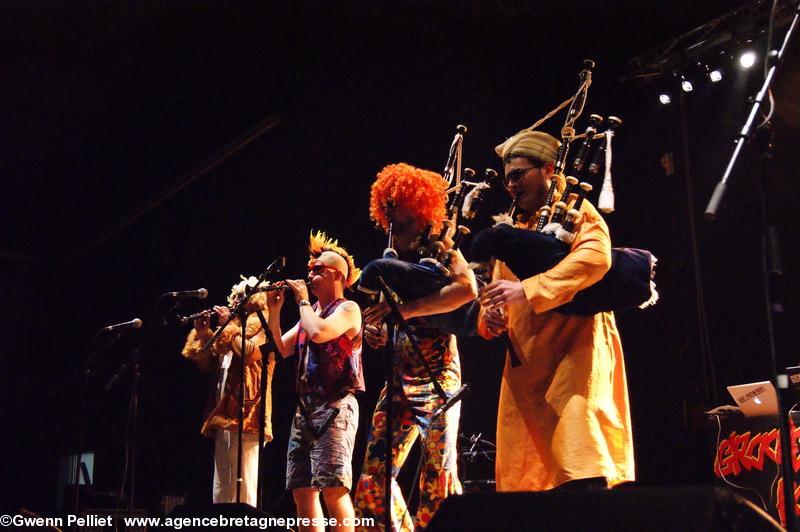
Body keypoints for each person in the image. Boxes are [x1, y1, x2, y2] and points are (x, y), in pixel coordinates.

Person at [477, 129, 635, 491]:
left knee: (579, 459)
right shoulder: (513, 228)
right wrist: (491, 316)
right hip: (527, 366)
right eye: (507, 180)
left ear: (549, 169)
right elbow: (495, 294)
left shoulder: (577, 212)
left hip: (574, 354)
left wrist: (527, 289)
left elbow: (595, 259)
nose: (511, 186)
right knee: (532, 480)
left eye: (518, 174)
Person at [354, 163, 478, 530]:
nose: (391, 205)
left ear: (417, 202)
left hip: (438, 373)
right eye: (386, 199)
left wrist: (407, 311)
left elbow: (467, 290)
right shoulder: (389, 255)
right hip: (397, 378)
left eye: (399, 198)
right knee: (373, 476)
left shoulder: (441, 248)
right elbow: (381, 316)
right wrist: (376, 332)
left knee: (437, 473)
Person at [267, 231, 363, 532]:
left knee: (333, 488)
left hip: (335, 407)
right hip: (305, 410)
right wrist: (274, 311)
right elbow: (280, 350)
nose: (310, 273)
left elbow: (320, 333)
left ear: (336, 274)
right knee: (302, 489)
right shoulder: (310, 313)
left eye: (317, 269)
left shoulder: (347, 309)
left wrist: (304, 302)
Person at [181, 276, 276, 506]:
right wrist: (204, 334)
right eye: (234, 298)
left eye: (239, 298)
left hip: (248, 413)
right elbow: (205, 364)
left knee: (244, 490)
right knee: (222, 488)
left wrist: (229, 327)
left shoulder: (262, 325)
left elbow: (249, 353)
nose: (234, 303)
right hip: (224, 413)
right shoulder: (230, 331)